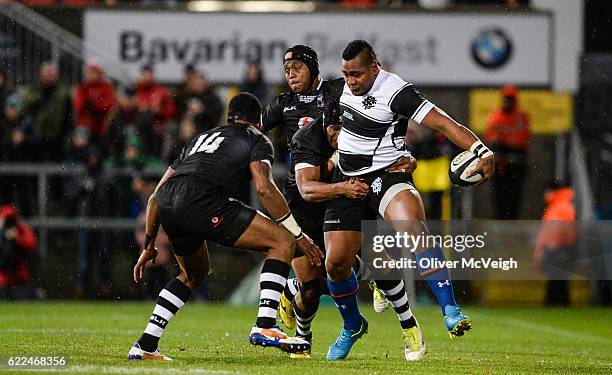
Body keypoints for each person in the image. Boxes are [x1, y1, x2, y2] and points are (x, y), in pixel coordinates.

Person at [322, 40, 495, 360]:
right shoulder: (338, 88)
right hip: (347, 181)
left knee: (415, 231)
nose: (351, 81)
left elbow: (443, 122)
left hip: (388, 175)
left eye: (357, 74)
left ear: (374, 66)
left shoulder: (396, 90)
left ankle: (451, 310)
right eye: (346, 74)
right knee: (335, 264)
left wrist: (481, 150)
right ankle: (351, 327)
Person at [127, 92, 323, 361]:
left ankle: (145, 345)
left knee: (193, 274)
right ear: (257, 120)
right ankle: (265, 325)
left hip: (168, 202)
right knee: (283, 241)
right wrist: (298, 233)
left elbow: (154, 197)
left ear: (229, 117)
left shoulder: (198, 139)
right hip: (204, 199)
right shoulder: (257, 138)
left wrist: (148, 245)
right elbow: (264, 189)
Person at [263, 45, 416, 356]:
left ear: (313, 68)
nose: (291, 74)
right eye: (286, 69)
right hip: (304, 196)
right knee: (311, 285)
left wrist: (402, 153)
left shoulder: (337, 89)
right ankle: (302, 331)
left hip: (344, 187)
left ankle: (406, 324)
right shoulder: (282, 104)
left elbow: (382, 110)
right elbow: (250, 132)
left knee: (362, 259)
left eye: (297, 67)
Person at [484, 84, 530, 219]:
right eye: (506, 98)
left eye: (510, 98)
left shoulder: (521, 116)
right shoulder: (495, 116)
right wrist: (505, 141)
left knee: (514, 197)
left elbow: (521, 140)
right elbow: (491, 137)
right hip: (500, 164)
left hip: (515, 164)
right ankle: (500, 220)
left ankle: (512, 221)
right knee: (499, 196)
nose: (508, 101)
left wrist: (505, 140)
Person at [533, 181, 576, 306]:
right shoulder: (559, 206)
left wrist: (549, 248)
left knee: (557, 279)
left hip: (559, 249)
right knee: (557, 279)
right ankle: (558, 303)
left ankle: (556, 303)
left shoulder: (560, 207)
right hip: (558, 249)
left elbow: (559, 230)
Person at [21, 63, 72, 161]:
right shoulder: (35, 91)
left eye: (51, 73)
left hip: (58, 138)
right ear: (41, 74)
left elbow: (68, 114)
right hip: (38, 137)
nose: (49, 76)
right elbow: (26, 110)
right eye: (47, 73)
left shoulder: (64, 93)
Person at [0, 204, 38, 299]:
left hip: (20, 280)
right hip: (2, 280)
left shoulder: (21, 230)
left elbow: (32, 244)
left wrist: (17, 238)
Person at [73, 63, 116, 148]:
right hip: (86, 123)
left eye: (95, 73)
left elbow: (109, 104)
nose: (93, 76)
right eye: (91, 73)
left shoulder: (107, 87)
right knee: (81, 138)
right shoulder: (82, 87)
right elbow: (78, 106)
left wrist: (95, 104)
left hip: (101, 123)